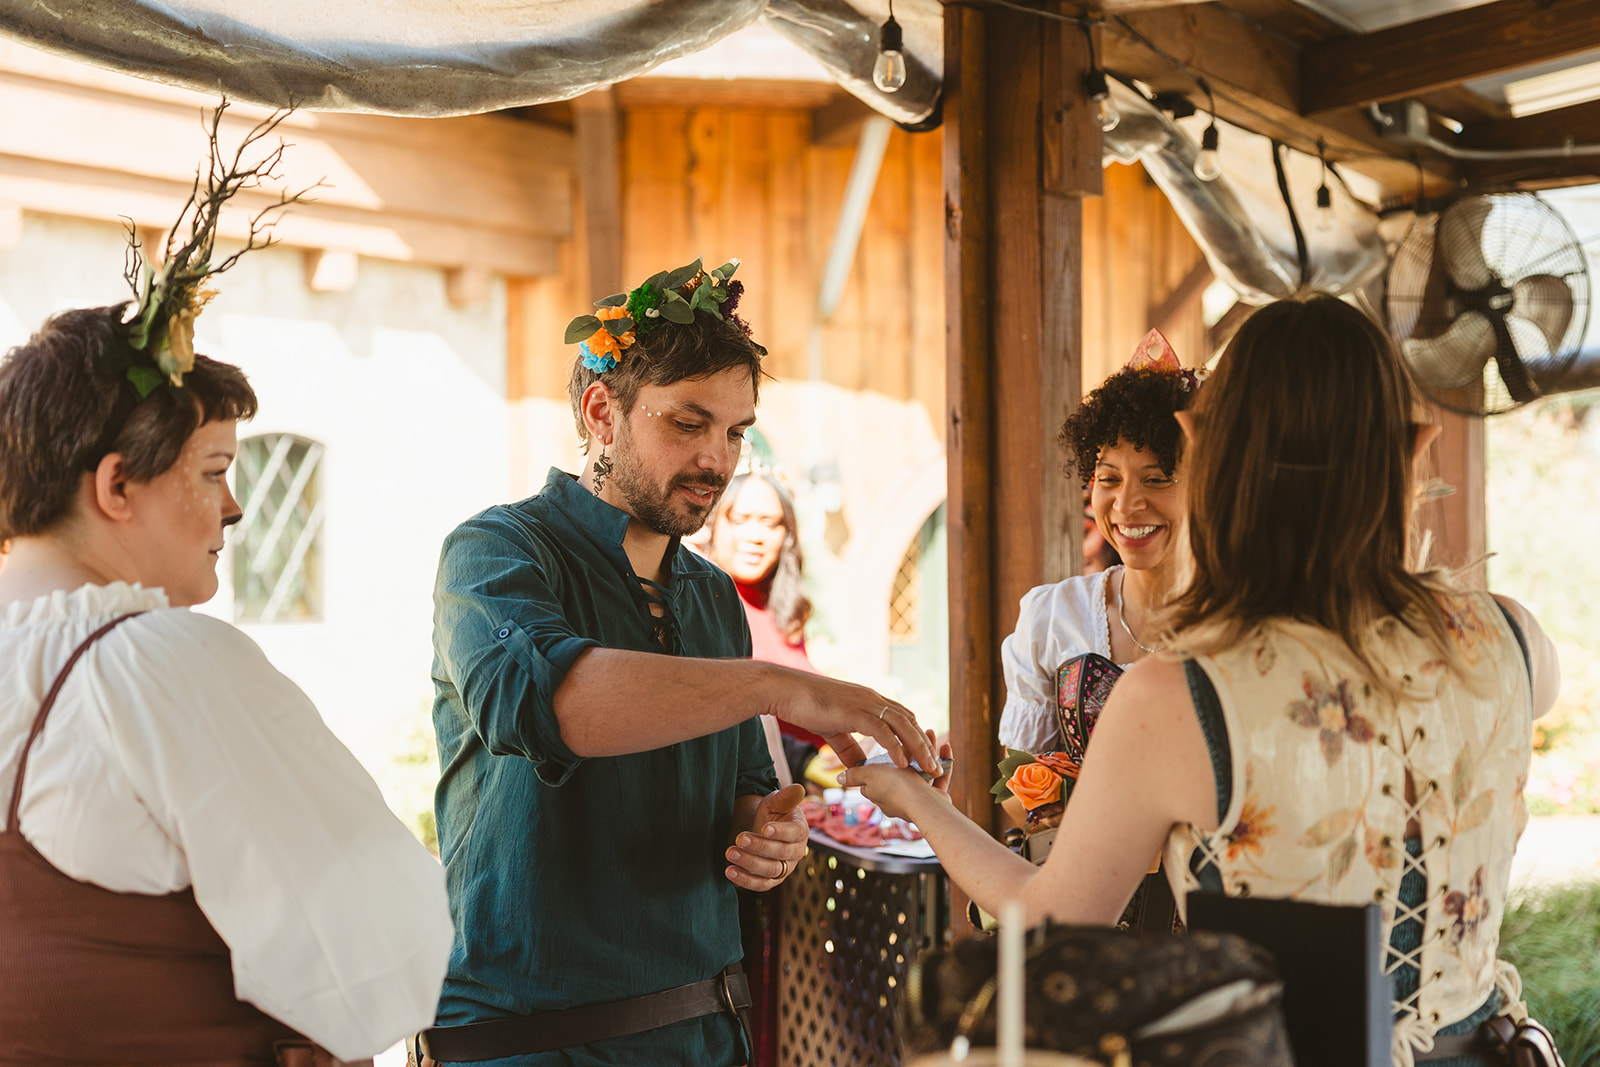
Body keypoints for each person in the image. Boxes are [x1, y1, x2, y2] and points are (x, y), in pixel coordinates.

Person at [849, 295, 1559, 1067]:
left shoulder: (1180, 696)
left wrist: (913, 796)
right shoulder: (1517, 639)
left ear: (1206, 453)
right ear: (1414, 450)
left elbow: (1044, 918)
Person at [421, 257, 940, 1066]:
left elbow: (744, 788)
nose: (718, 460)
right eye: (688, 423)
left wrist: (766, 834)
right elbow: (545, 703)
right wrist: (782, 683)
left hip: (706, 1031)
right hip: (527, 1040)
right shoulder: (496, 550)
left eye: (736, 431)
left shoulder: (714, 597)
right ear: (601, 412)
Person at [0, 304, 454, 1062]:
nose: (235, 507)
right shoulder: (156, 667)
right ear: (117, 486)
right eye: (213, 472)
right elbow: (378, 955)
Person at [998, 328, 1200, 759]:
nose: (1126, 505)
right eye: (1108, 479)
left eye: (1157, 478)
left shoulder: (1246, 622)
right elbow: (1017, 794)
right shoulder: (1052, 619)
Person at [709, 468, 824, 779]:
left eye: (770, 523)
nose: (755, 537)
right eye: (740, 519)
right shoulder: (703, 605)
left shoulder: (786, 609)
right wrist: (804, 762)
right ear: (713, 524)